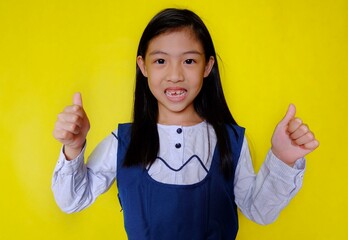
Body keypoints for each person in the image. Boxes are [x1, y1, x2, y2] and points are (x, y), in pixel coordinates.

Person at [52, 8, 319, 240]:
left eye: (189, 61)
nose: (175, 75)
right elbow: (72, 200)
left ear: (207, 66)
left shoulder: (230, 141)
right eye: (160, 61)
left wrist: (282, 160)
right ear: (143, 66)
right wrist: (74, 148)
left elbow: (259, 210)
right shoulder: (123, 142)